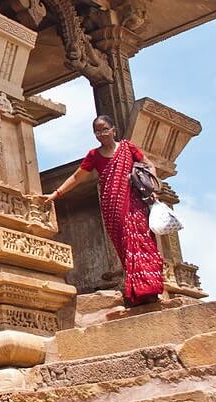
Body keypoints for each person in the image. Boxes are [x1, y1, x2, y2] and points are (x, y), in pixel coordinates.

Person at [47, 115, 164, 306]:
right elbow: (77, 177)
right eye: (97, 131)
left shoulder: (127, 148)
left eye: (104, 129)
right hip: (112, 206)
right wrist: (56, 194)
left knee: (142, 241)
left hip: (134, 202)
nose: (101, 134)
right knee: (125, 246)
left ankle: (150, 288)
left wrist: (152, 186)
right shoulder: (94, 155)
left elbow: (149, 164)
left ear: (113, 130)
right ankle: (137, 292)